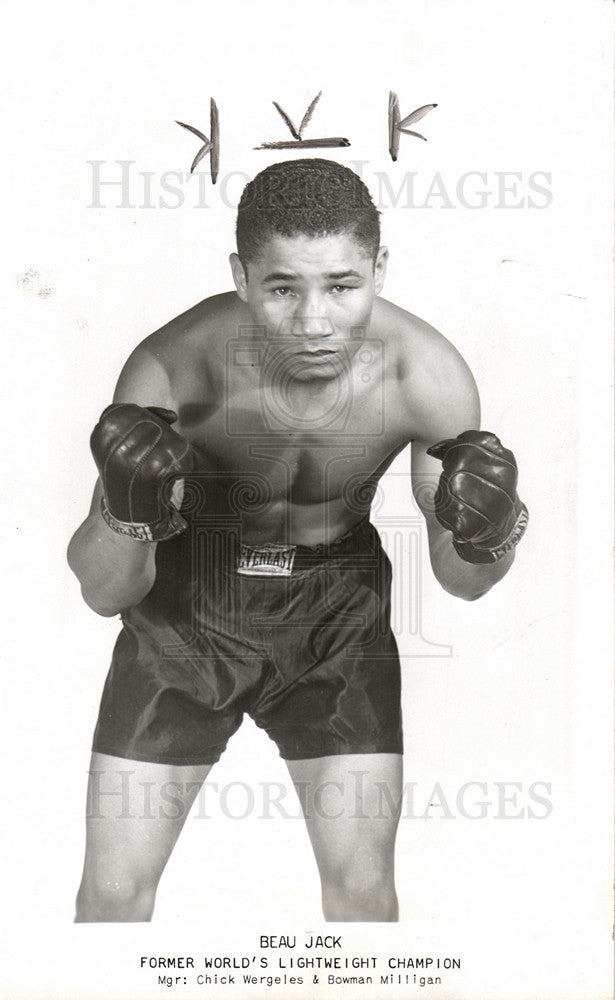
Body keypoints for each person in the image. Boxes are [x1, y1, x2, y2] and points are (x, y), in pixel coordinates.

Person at [68, 158, 527, 923]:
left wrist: (488, 532)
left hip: (336, 614)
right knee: (111, 897)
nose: (314, 322)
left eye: (341, 286)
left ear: (378, 268)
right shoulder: (170, 367)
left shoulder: (429, 376)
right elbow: (104, 590)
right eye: (282, 288)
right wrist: (127, 510)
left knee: (362, 897)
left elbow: (463, 580)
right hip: (188, 605)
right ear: (241, 276)